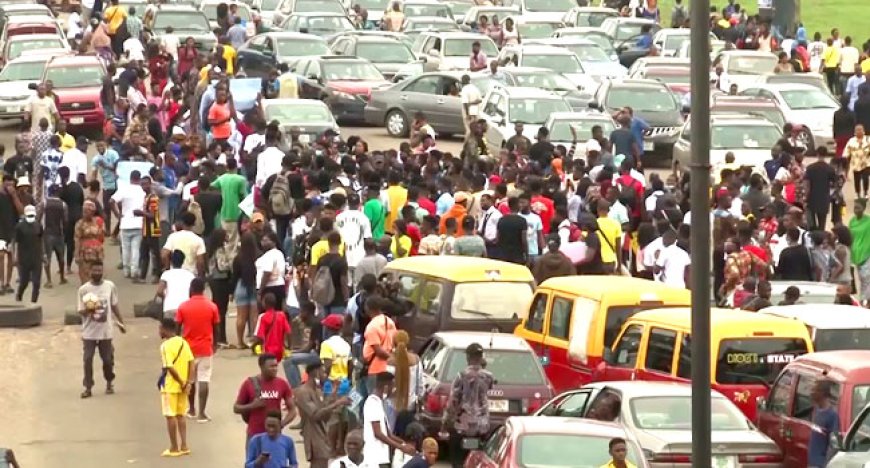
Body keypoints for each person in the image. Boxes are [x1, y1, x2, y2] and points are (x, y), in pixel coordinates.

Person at [77, 260, 125, 398]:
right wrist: (90, 309)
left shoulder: (109, 286)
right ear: (89, 272)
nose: (97, 273)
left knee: (107, 359)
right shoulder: (84, 290)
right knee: (87, 359)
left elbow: (114, 305)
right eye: (95, 271)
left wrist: (121, 323)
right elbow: (80, 311)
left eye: (100, 270)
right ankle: (88, 387)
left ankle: (109, 381)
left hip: (106, 331)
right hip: (89, 332)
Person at [175, 278, 220, 422]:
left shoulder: (183, 307)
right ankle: (202, 413)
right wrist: (215, 344)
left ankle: (192, 409)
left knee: (191, 380)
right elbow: (216, 328)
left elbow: (177, 329)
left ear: (191, 289)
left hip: (188, 349)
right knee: (204, 379)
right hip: (205, 347)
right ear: (203, 290)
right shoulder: (212, 306)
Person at [441, 343, 493, 468]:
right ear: (481, 357)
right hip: (482, 425)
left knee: (458, 461)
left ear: (468, 357)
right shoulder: (489, 376)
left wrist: (445, 423)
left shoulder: (461, 375)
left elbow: (453, 402)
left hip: (462, 425)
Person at [294, 361, 352, 468]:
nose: (326, 375)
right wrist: (337, 403)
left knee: (323, 463)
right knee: (319, 463)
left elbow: (324, 411)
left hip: (321, 433)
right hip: (313, 434)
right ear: (316, 372)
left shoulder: (316, 390)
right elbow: (316, 415)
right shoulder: (303, 392)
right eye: (324, 372)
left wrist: (334, 392)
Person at [234, 353, 297, 444]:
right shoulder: (249, 383)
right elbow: (236, 408)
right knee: (254, 458)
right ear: (261, 367)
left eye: (276, 366)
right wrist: (252, 406)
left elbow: (292, 410)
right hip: (254, 434)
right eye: (271, 366)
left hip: (275, 435)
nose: (275, 369)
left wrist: (281, 424)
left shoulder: (282, 383)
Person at [157, 318, 194, 457]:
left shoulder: (165, 346)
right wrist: (188, 382)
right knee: (181, 415)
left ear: (165, 329)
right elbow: (191, 362)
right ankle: (184, 445)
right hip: (183, 386)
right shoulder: (183, 342)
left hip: (170, 386)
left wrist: (181, 382)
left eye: (160, 329)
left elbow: (169, 367)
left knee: (170, 416)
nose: (159, 331)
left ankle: (174, 447)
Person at [364, 371, 416, 467]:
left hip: (383, 457)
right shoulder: (372, 403)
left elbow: (389, 434)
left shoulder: (379, 403)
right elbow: (378, 433)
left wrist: (404, 444)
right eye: (393, 387)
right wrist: (401, 447)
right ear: (386, 387)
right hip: (374, 458)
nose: (394, 391)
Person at [111, 170, 146, 279]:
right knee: (136, 248)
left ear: (130, 178)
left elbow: (111, 201)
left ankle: (126, 271)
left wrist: (118, 214)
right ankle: (134, 270)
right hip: (138, 223)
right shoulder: (143, 191)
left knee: (125, 248)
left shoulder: (124, 189)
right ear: (139, 179)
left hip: (125, 223)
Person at [233, 232, 261, 349]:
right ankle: (254, 341)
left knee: (241, 316)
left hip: (241, 285)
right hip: (254, 285)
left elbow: (235, 275)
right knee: (254, 316)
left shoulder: (238, 258)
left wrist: (231, 292)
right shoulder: (258, 255)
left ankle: (240, 342)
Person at [162, 211, 207, 276]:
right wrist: (200, 276)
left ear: (182, 223)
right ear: (194, 224)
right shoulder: (198, 240)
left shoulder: (173, 237)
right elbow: (200, 262)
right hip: (191, 274)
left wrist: (167, 269)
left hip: (175, 273)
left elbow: (164, 255)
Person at [14, 205, 43, 303]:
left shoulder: (38, 226)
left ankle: (33, 302)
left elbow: (41, 240)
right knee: (24, 282)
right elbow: (16, 242)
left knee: (36, 283)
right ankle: (19, 295)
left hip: (36, 257)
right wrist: (16, 257)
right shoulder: (20, 227)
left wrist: (44, 255)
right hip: (24, 258)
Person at [808, 380, 840, 468]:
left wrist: (826, 464)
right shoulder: (815, 411)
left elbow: (834, 444)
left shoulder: (832, 415)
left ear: (822, 393)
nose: (811, 393)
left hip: (821, 464)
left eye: (814, 390)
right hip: (812, 462)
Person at [803, 147, 836, 230]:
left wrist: (805, 198)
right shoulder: (830, 169)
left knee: (811, 224)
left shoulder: (810, 168)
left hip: (812, 199)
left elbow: (807, 186)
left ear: (817, 154)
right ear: (826, 154)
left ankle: (814, 240)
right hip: (824, 200)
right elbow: (833, 185)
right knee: (822, 224)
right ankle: (821, 240)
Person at [74, 200, 106, 284]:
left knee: (97, 274)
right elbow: (77, 239)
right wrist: (76, 254)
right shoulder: (80, 223)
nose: (85, 213)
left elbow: (102, 237)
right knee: (85, 275)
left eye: (87, 211)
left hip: (97, 253)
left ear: (92, 212)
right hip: (85, 254)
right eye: (84, 211)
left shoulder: (99, 221)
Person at [158, 250, 196, 320]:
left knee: (169, 330)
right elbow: (194, 293)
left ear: (171, 261)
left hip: (170, 308)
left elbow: (159, 291)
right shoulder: (190, 275)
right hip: (186, 309)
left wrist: (166, 297)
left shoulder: (166, 274)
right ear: (183, 261)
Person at [850, 199, 870, 306]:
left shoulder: (868, 221)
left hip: (867, 254)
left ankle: (864, 300)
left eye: (858, 208)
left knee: (865, 278)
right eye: (854, 207)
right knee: (859, 277)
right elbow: (850, 236)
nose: (856, 210)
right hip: (855, 255)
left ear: (863, 208)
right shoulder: (852, 221)